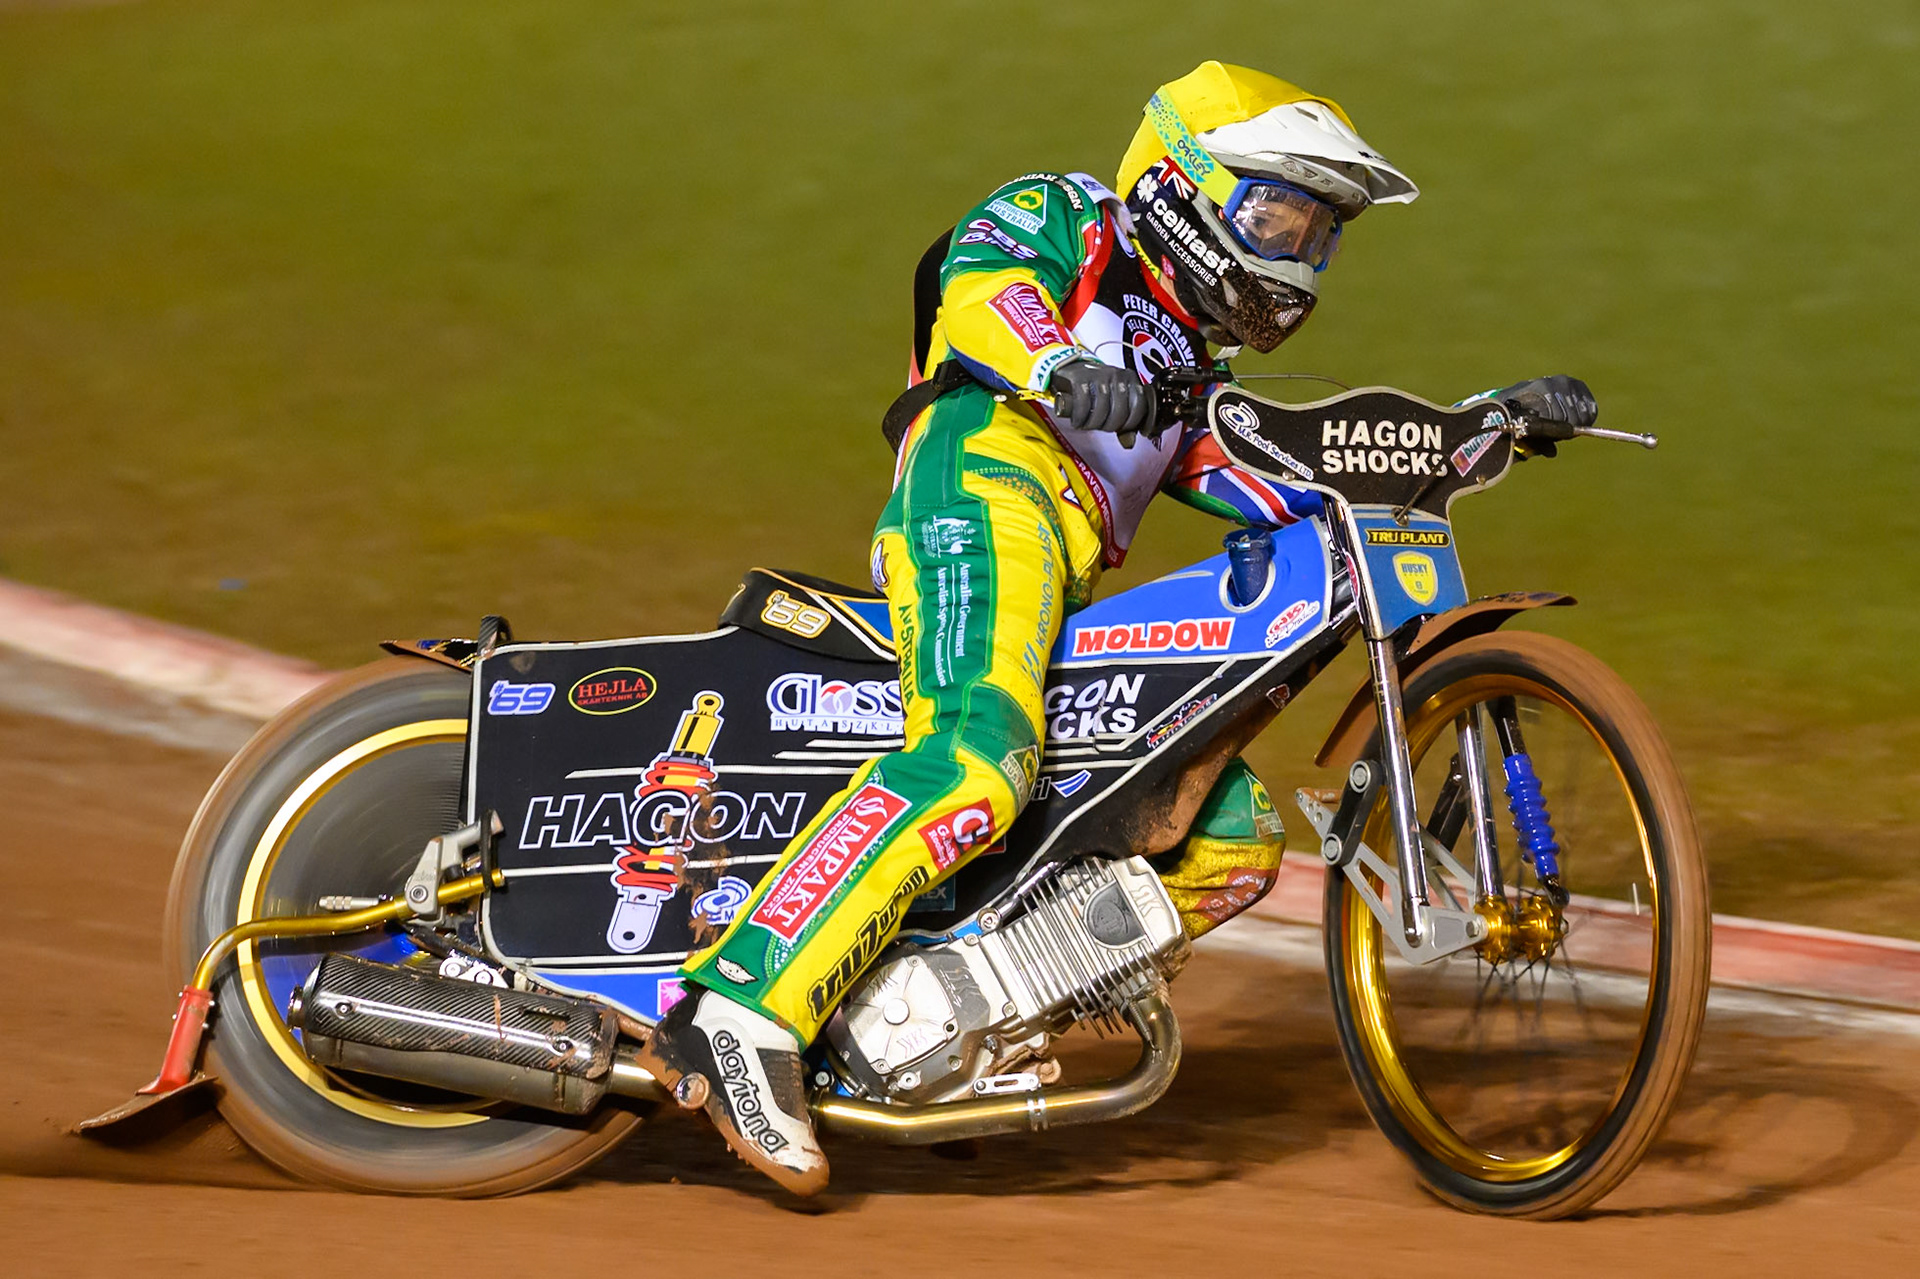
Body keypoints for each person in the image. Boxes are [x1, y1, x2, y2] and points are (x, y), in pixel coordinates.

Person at [638, 60, 1597, 1195]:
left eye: (1318, 234)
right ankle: (740, 1006)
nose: (1297, 256)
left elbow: (1292, 481)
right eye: (1278, 217)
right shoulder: (1069, 213)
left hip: (1064, 557)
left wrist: (1477, 433)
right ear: (1188, 185)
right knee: (978, 757)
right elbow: (976, 289)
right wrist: (1058, 365)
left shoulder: (1196, 369)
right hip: (982, 482)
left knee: (1227, 833)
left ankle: (936, 1023)